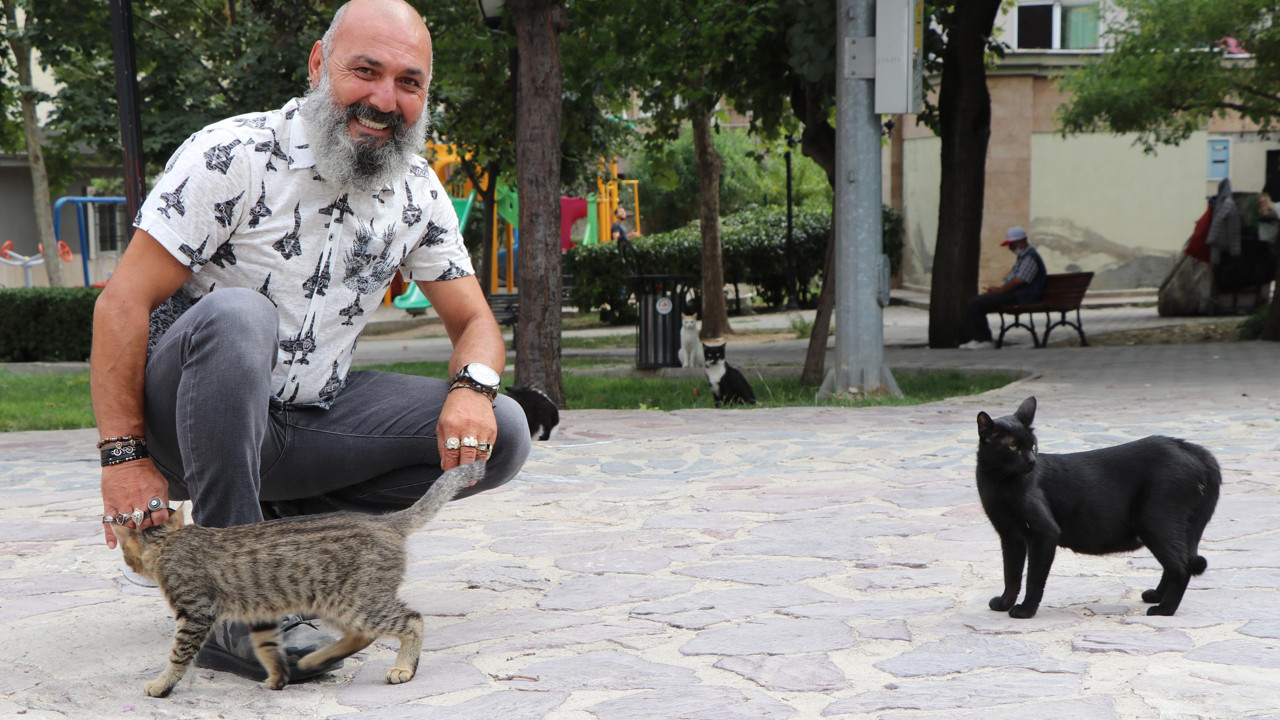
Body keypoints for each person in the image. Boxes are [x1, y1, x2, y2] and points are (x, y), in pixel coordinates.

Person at [90, 0, 530, 682]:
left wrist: (473, 388)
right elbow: (122, 301)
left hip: (308, 420)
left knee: (501, 431)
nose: (385, 100)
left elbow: (475, 321)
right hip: (188, 423)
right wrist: (122, 458)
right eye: (366, 71)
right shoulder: (232, 153)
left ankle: (279, 527)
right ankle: (239, 619)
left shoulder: (417, 190)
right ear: (319, 65)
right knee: (240, 315)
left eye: (409, 82)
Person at [960, 225, 1047, 350]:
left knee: (976, 303)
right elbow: (1013, 280)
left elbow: (1018, 280)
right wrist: (996, 291)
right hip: (1018, 294)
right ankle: (978, 338)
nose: (1010, 247)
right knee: (977, 302)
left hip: (1024, 296)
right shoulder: (1023, 257)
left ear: (1022, 241)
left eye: (1012, 244)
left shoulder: (1029, 257)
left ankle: (984, 340)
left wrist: (999, 290)